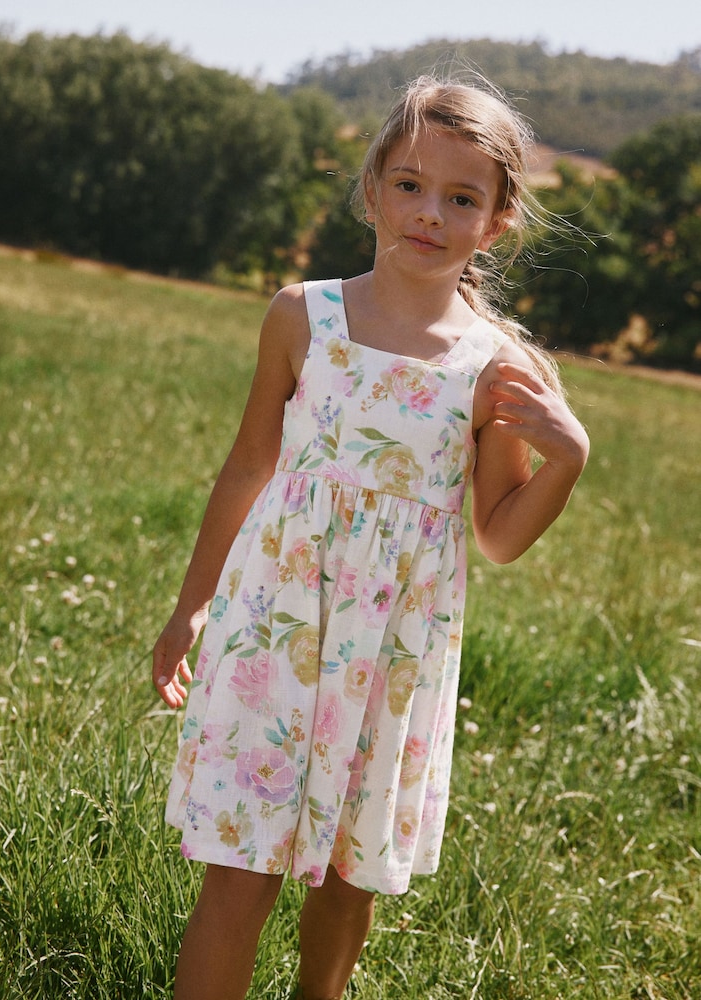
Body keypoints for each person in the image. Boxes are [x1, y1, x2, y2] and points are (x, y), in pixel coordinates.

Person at [152, 74, 590, 1000]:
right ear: (371, 189)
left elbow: (500, 539)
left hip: (393, 655)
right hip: (273, 628)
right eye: (409, 184)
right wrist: (191, 609)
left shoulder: (495, 369)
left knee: (350, 883)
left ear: (497, 221)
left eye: (461, 198)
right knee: (240, 870)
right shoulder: (300, 317)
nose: (429, 213)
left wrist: (568, 459)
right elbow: (246, 467)